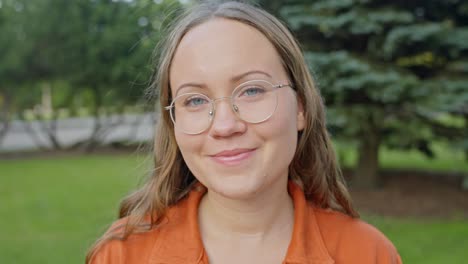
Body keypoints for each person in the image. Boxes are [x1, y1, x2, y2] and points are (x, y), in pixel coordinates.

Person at [86, 1, 402, 263]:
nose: (225, 126)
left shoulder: (367, 254)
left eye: (251, 91)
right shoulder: (121, 256)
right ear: (173, 123)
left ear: (301, 108)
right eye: (195, 99)